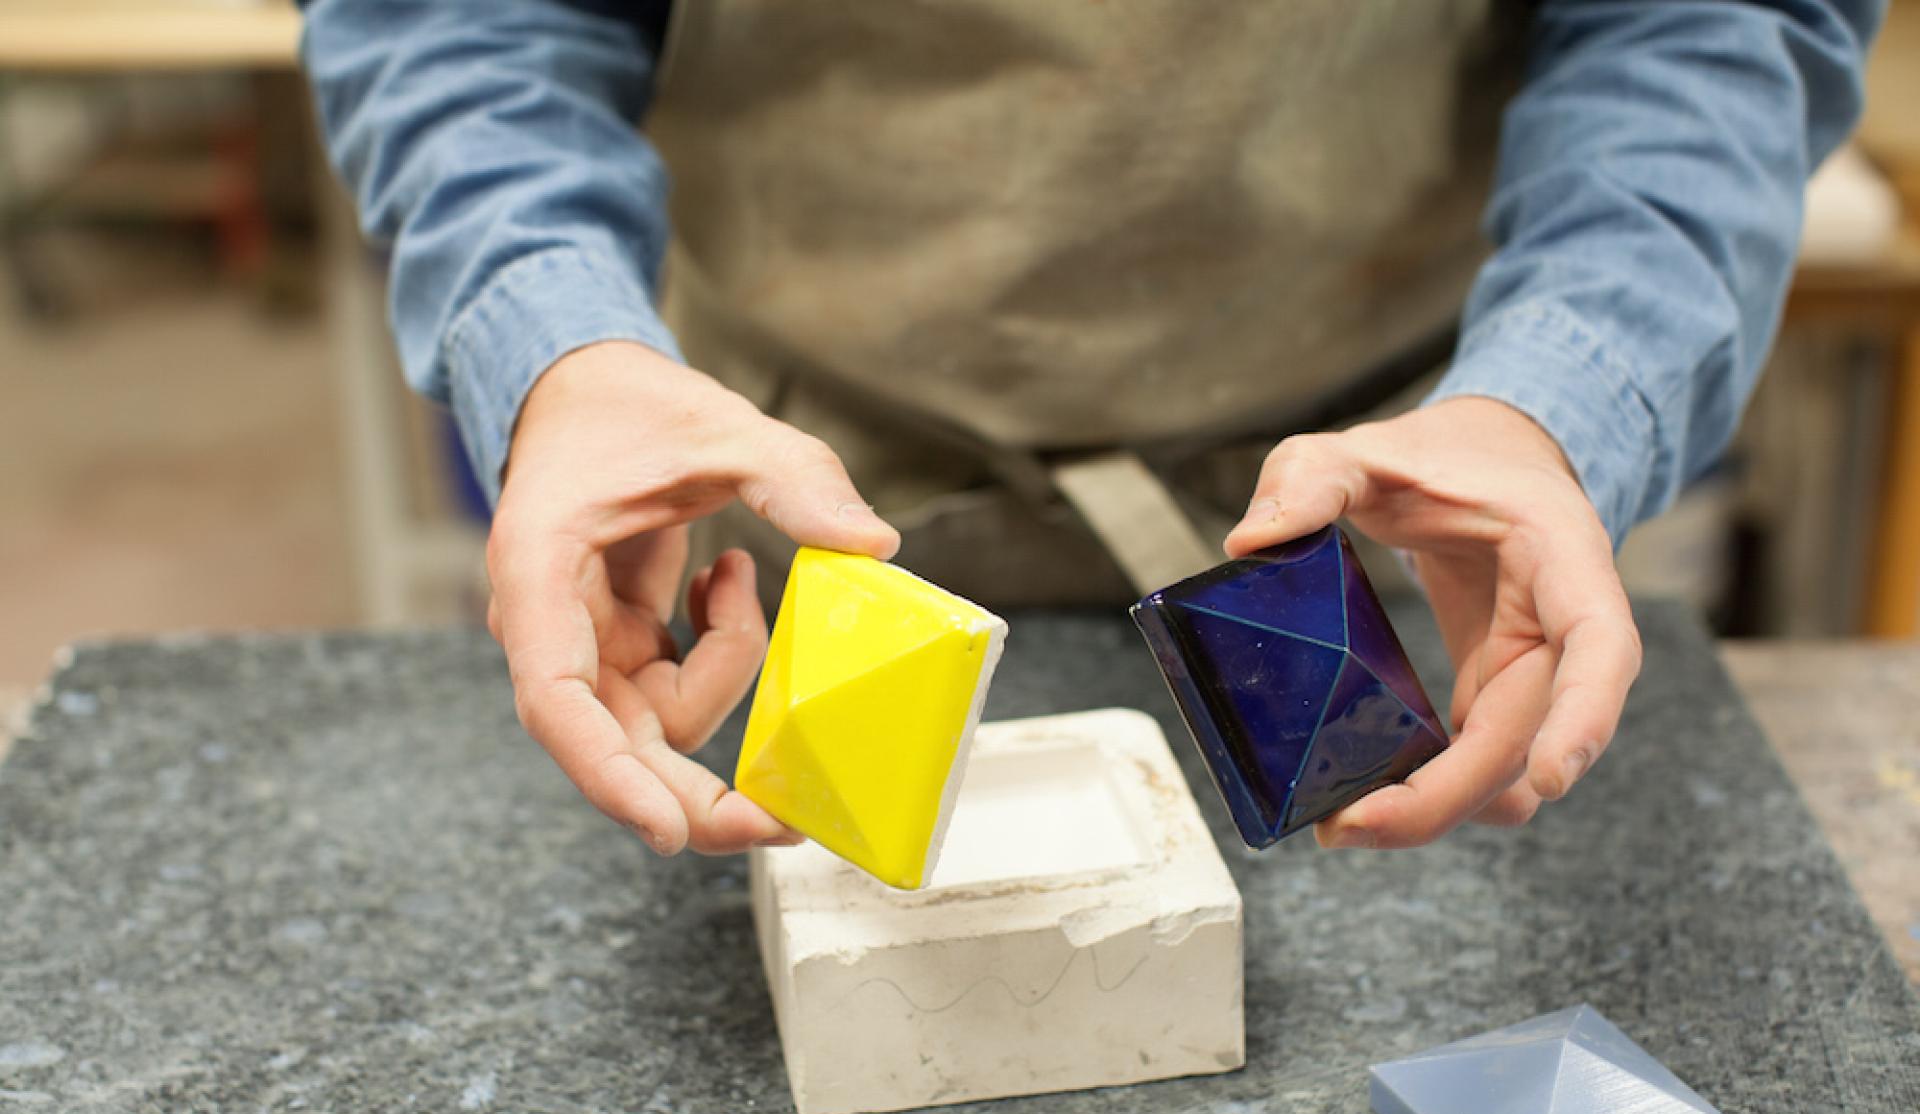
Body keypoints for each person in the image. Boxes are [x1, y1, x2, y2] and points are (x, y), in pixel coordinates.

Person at [299, 0, 1880, 857]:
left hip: (1405, 517)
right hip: (796, 491)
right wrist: (559, 338)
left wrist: (1563, 391)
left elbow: (1709, 23)